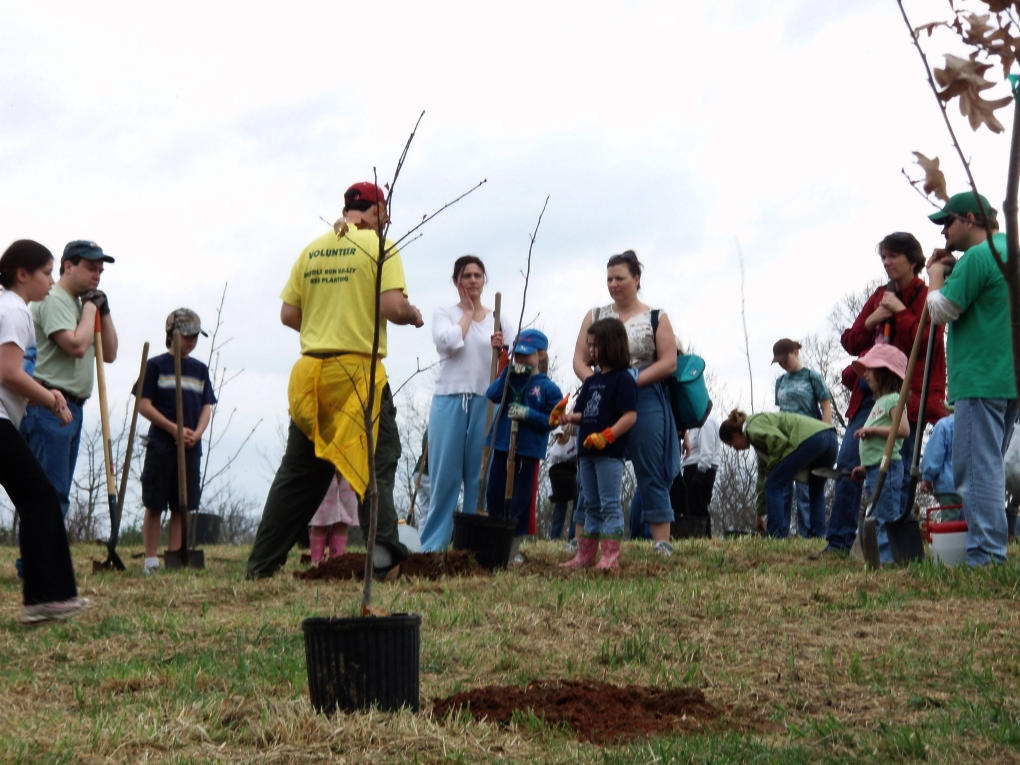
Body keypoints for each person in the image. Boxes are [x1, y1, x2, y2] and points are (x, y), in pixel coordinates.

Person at [246, 181, 424, 579]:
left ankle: (261, 566)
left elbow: (289, 314)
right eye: (385, 212)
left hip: (312, 377)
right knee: (377, 463)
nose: (388, 220)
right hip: (357, 376)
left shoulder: (312, 250)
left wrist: (328, 323)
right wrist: (411, 313)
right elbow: (390, 306)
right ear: (374, 211)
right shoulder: (380, 247)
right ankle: (382, 561)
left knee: (297, 476)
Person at [816, 232, 947, 558]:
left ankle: (893, 548)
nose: (887, 263)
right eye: (884, 257)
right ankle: (838, 544)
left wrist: (901, 311)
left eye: (893, 256)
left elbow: (927, 342)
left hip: (908, 394)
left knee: (898, 468)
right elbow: (850, 341)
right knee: (849, 463)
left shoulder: (927, 295)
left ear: (912, 259)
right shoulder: (878, 296)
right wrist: (873, 320)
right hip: (870, 391)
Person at [926, 191, 1017, 566]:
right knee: (991, 467)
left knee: (977, 472)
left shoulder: (979, 257)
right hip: (1010, 379)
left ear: (969, 220)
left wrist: (934, 278)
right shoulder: (1011, 250)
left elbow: (942, 310)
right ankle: (991, 550)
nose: (944, 231)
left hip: (980, 377)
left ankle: (986, 556)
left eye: (947, 222)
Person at [0, 240, 87, 623]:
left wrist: (40, 394)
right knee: (40, 499)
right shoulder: (15, 310)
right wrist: (51, 399)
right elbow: (9, 372)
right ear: (23, 274)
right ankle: (47, 598)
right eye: (47, 272)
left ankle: (46, 598)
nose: (51, 281)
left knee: (36, 499)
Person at [572, 250, 680, 557]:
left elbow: (669, 362)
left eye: (620, 278)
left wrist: (629, 383)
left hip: (644, 396)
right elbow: (579, 360)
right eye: (609, 279)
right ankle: (582, 539)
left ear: (636, 279)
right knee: (591, 464)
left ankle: (661, 541)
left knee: (651, 468)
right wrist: (596, 384)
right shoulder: (595, 315)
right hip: (599, 399)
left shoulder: (656, 317)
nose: (613, 284)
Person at [20, 240, 118, 521]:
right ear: (68, 266)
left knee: (56, 492)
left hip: (71, 408)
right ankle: (37, 565)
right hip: (48, 406)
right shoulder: (54, 300)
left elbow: (109, 353)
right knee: (49, 492)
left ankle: (45, 562)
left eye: (100, 271)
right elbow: (75, 346)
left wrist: (104, 311)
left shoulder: (79, 305)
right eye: (90, 268)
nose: (96, 276)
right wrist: (89, 309)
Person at [419, 256, 510, 552]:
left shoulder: (499, 319)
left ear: (484, 280)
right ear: (456, 280)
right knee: (446, 474)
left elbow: (510, 365)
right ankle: (434, 544)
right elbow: (447, 342)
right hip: (450, 398)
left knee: (477, 472)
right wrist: (468, 315)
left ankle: (469, 545)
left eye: (477, 275)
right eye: (466, 275)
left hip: (486, 400)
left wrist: (502, 347)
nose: (472, 280)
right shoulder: (445, 313)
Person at [136, 309, 217, 574]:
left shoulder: (200, 370)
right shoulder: (156, 366)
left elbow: (207, 406)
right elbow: (143, 405)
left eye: (195, 337)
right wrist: (173, 428)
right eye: (187, 336)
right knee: (155, 502)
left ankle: (174, 556)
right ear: (172, 335)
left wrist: (198, 432)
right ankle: (150, 560)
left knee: (183, 505)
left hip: (191, 446)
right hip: (161, 444)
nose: (191, 342)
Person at [557, 318, 637, 570]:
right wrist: (569, 417)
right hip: (586, 452)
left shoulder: (623, 379)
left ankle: (610, 556)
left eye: (596, 345)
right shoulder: (591, 382)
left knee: (609, 503)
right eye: (589, 345)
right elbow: (585, 414)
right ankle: (585, 555)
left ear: (612, 345)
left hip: (609, 453)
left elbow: (630, 415)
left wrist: (607, 436)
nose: (591, 350)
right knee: (589, 503)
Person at [484, 329, 561, 562]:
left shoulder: (548, 388)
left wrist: (529, 414)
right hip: (502, 446)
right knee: (494, 494)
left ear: (541, 355)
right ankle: (494, 546)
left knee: (519, 500)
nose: (521, 360)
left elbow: (553, 420)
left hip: (526, 452)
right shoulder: (511, 377)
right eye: (518, 355)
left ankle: (514, 548)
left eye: (526, 356)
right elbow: (492, 395)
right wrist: (506, 372)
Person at [719, 409, 837, 538]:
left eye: (731, 445)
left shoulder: (750, 428)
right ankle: (817, 536)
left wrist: (773, 470)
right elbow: (762, 477)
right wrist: (760, 513)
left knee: (774, 484)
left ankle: (775, 535)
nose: (735, 449)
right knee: (816, 488)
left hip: (811, 439)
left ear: (735, 435)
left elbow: (779, 442)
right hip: (830, 438)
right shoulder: (759, 442)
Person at [847, 345, 911, 565]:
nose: (864, 374)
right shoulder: (879, 403)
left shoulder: (894, 399)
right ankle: (880, 559)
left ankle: (889, 560)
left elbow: (903, 430)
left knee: (884, 516)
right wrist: (865, 467)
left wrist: (872, 430)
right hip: (876, 469)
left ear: (885, 373)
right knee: (873, 517)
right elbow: (878, 446)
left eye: (870, 369)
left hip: (888, 469)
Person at [772, 338, 832, 538]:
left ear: (795, 353)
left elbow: (825, 406)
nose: (782, 364)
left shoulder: (812, 377)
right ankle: (781, 533)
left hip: (809, 437)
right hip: (786, 439)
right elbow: (781, 410)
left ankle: (809, 535)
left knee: (805, 488)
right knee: (784, 486)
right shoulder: (780, 381)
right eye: (778, 361)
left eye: (784, 358)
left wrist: (825, 433)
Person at [681, 412, 721, 537]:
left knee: (698, 507)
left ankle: (703, 538)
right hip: (693, 467)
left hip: (699, 469)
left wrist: (701, 472)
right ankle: (697, 538)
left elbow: (707, 450)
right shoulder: (695, 423)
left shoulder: (706, 422)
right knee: (692, 508)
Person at [308, 473, 359, 565]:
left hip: (349, 473)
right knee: (319, 521)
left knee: (343, 521)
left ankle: (337, 562)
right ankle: (316, 561)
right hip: (324, 472)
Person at [546, 398, 578, 541]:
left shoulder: (573, 439)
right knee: (560, 508)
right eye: (559, 434)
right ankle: (554, 537)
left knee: (577, 506)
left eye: (563, 433)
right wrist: (552, 491)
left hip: (574, 473)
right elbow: (550, 471)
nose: (563, 435)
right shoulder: (554, 451)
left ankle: (572, 537)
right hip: (560, 479)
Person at [920, 412, 962, 507]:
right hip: (975, 488)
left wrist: (927, 478)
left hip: (949, 486)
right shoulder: (978, 424)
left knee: (950, 521)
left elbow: (935, 454)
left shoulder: (944, 425)